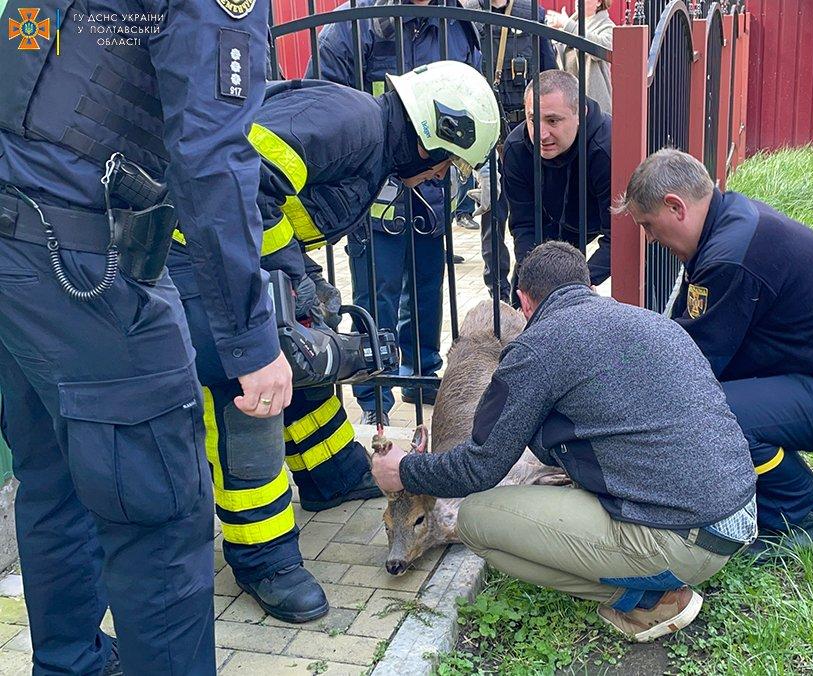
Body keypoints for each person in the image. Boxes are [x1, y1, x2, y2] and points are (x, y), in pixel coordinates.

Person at [0, 0, 281, 672]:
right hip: (79, 256)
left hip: (18, 243)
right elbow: (212, 155)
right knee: (162, 513)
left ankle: (71, 664)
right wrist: (252, 339)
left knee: (55, 483)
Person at [167, 61, 500, 622]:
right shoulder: (351, 126)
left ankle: (329, 475)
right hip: (199, 262)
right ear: (430, 136)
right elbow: (235, 183)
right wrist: (289, 278)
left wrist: (304, 286)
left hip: (237, 262)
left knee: (306, 358)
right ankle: (261, 557)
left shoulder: (366, 146)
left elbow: (279, 209)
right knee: (247, 397)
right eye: (446, 165)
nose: (443, 179)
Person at [371, 241, 757, 641]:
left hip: (684, 542)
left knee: (475, 520)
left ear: (523, 302)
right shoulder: (651, 322)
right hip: (739, 518)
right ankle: (648, 571)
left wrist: (402, 469)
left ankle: (647, 601)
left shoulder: (538, 349)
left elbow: (479, 466)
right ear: (588, 286)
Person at [616, 149, 813, 557]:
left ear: (676, 207)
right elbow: (682, 337)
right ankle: (798, 490)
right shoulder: (728, 223)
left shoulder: (730, 257)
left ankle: (811, 521)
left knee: (715, 414)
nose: (650, 239)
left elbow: (693, 369)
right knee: (715, 403)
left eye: (648, 225)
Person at [309, 0, 482, 420]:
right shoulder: (353, 27)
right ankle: (374, 396)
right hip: (373, 192)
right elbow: (327, 107)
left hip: (434, 187)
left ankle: (420, 376)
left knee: (427, 288)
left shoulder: (459, 24)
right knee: (375, 297)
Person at [464, 0, 558, 301]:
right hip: (487, 134)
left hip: (526, 135)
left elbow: (549, 73)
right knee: (493, 213)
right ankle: (498, 292)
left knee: (529, 214)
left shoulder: (532, 14)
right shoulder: (465, 14)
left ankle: (526, 287)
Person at [502, 70, 611, 304]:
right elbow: (524, 225)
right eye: (533, 119)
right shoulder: (516, 148)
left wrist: (578, 284)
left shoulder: (606, 148)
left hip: (593, 220)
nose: (541, 134)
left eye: (552, 120)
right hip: (545, 226)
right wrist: (536, 283)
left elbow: (618, 236)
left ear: (580, 113)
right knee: (525, 289)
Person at [546, 0, 615, 115]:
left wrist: (567, 25)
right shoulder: (572, 23)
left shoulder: (607, 26)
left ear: (598, 2)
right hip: (567, 100)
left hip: (593, 105)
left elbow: (600, 49)